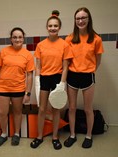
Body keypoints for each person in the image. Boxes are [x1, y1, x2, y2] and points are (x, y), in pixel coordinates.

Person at [30, 10, 73, 150]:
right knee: (42, 109)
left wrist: (62, 84)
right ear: (47, 27)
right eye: (50, 26)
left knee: (56, 110)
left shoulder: (65, 45)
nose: (53, 28)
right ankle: (39, 136)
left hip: (57, 79)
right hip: (44, 78)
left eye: (55, 26)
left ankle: (55, 137)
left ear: (59, 28)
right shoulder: (41, 45)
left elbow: (66, 67)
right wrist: (37, 82)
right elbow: (38, 66)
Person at [63, 7, 104, 149]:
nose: (80, 21)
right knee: (72, 108)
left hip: (88, 76)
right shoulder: (69, 38)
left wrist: (89, 70)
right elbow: (66, 61)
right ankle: (72, 135)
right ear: (75, 21)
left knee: (88, 109)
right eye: (78, 18)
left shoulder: (96, 39)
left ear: (88, 19)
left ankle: (88, 136)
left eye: (83, 18)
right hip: (72, 76)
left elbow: (98, 60)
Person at [0, 27, 35, 146]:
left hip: (19, 89)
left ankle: (16, 134)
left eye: (20, 37)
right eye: (15, 37)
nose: (17, 39)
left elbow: (30, 76)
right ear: (11, 39)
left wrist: (28, 93)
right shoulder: (3, 52)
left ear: (23, 39)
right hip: (3, 88)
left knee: (17, 112)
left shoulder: (27, 55)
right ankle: (4, 134)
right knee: (2, 113)